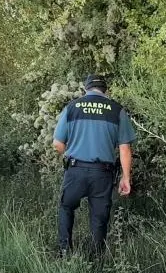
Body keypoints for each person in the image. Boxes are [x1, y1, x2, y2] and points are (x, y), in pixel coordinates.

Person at [52, 74, 136, 258]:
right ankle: (96, 258)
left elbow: (58, 144)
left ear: (86, 89)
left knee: (66, 207)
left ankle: (65, 252)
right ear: (105, 91)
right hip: (102, 173)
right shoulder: (116, 110)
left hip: (75, 170)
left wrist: (72, 154)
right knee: (99, 217)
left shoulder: (72, 107)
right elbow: (125, 148)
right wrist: (126, 178)